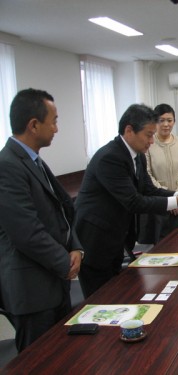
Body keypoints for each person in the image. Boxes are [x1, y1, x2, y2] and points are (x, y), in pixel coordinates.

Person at [74, 104, 178, 298]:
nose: (151, 141)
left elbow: (149, 189)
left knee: (119, 293)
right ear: (129, 130)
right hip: (96, 240)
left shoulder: (137, 155)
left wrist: (177, 195)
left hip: (117, 238)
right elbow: (133, 201)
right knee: (101, 298)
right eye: (148, 135)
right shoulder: (110, 157)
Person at [0, 89, 83, 352]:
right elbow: (26, 231)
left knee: (60, 357)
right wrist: (65, 264)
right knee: (38, 362)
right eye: (54, 121)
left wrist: (76, 248)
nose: (57, 129)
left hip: (52, 281)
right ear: (34, 125)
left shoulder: (34, 161)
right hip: (32, 289)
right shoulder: (8, 165)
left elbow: (62, 213)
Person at [141, 104, 178, 243]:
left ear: (174, 121)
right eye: (161, 120)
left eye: (169, 120)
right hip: (159, 203)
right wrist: (170, 199)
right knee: (163, 246)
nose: (165, 124)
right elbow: (147, 174)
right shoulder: (149, 143)